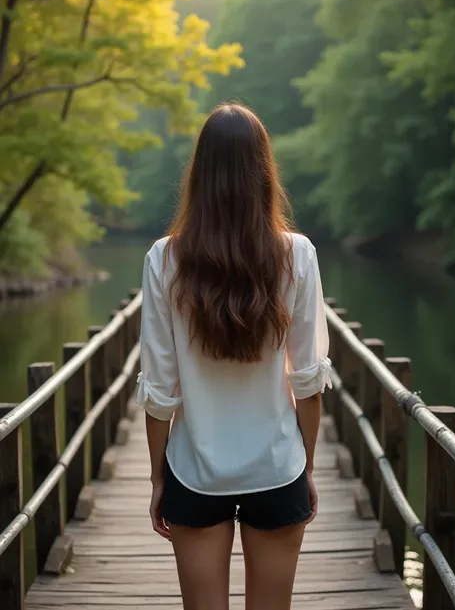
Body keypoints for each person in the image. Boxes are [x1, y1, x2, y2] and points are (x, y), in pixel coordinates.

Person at [136, 103, 332, 610]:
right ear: (264, 172)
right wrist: (307, 466)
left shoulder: (165, 258)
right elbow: (308, 381)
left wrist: (158, 476)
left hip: (194, 469)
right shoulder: (298, 255)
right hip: (277, 467)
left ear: (198, 174)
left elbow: (160, 391)